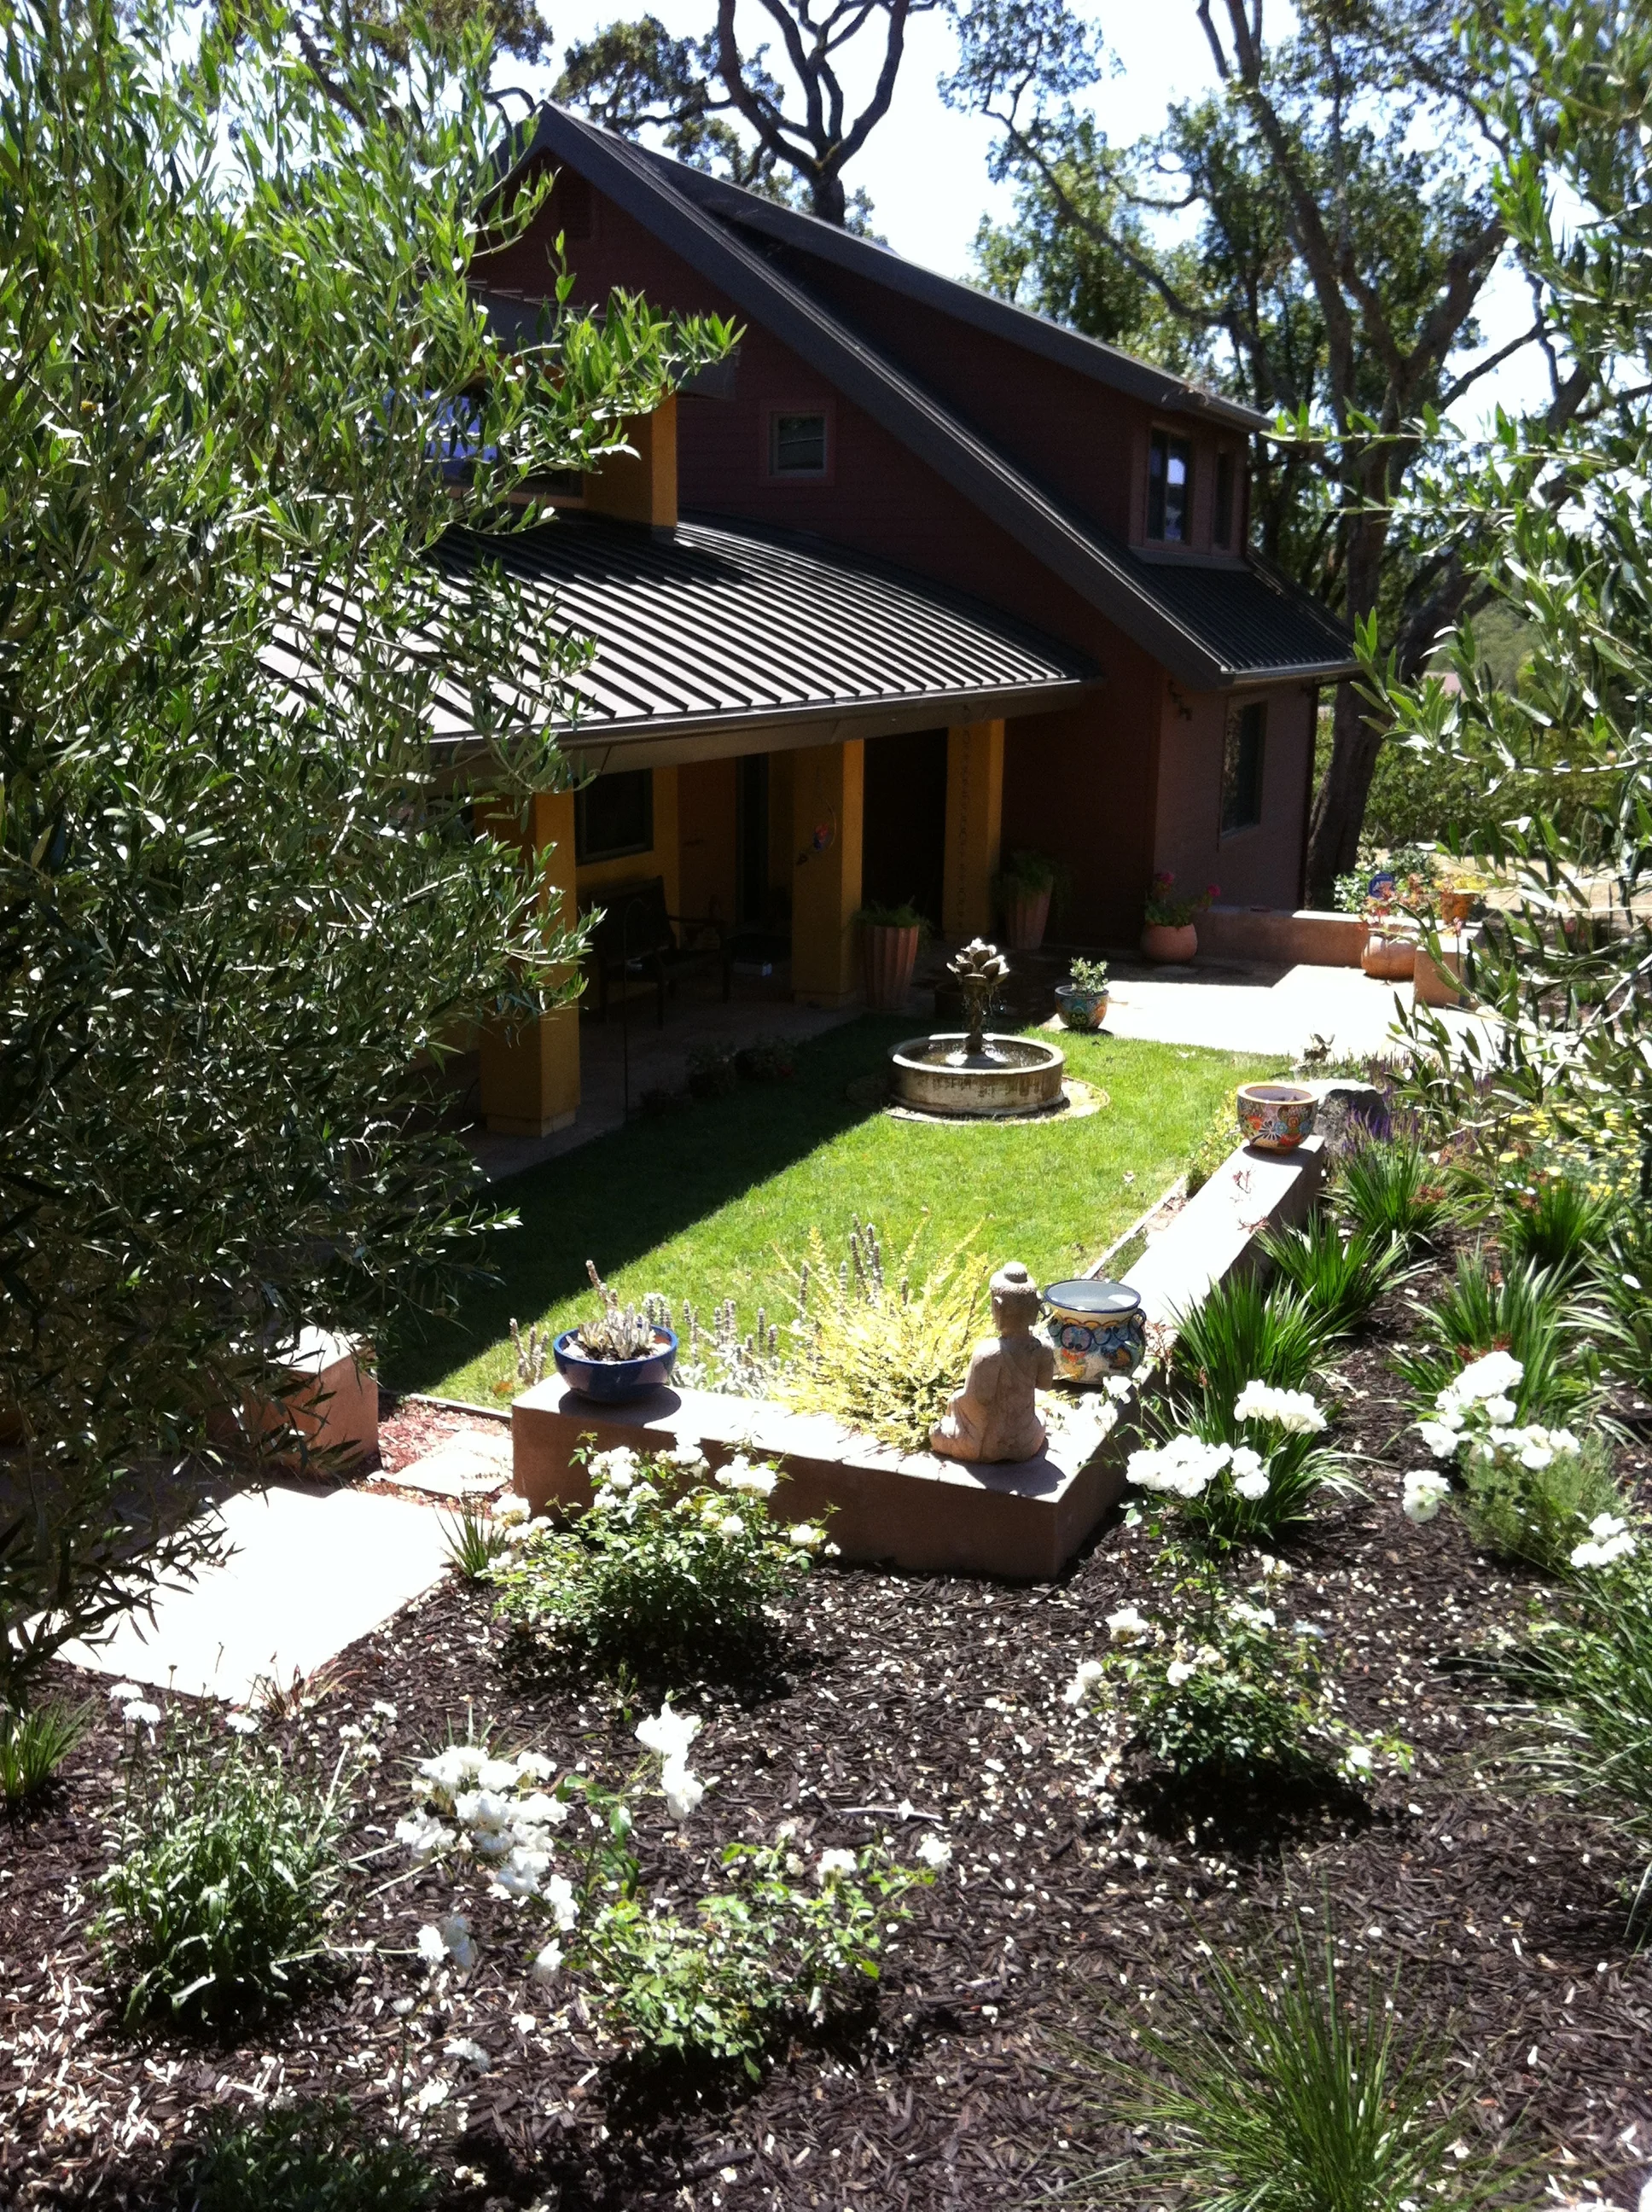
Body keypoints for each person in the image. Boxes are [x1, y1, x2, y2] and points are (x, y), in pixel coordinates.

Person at [930, 1261, 1054, 1464]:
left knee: (937, 1433)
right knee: (1040, 1415)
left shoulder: (988, 1353)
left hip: (987, 1446)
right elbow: (1045, 1385)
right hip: (1027, 1443)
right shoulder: (1043, 1349)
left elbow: (977, 1400)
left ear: (998, 1305)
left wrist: (955, 1401)